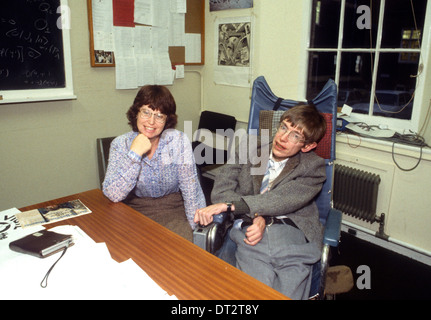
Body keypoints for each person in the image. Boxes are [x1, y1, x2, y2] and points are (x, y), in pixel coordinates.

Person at [194, 104, 327, 299]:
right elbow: (221, 190)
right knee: (254, 292)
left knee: (289, 291)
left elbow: (281, 200)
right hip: (250, 232)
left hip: (291, 233)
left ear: (307, 146)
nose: (283, 138)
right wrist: (254, 216)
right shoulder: (250, 146)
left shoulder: (313, 167)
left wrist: (249, 210)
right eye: (283, 128)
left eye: (295, 136)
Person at [103, 85, 206, 242]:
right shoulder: (120, 144)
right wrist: (135, 155)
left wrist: (196, 230)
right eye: (146, 112)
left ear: (166, 120)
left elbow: (191, 189)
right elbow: (113, 194)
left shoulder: (178, 141)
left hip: (172, 209)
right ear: (136, 113)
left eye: (159, 116)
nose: (151, 121)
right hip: (135, 210)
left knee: (180, 253)